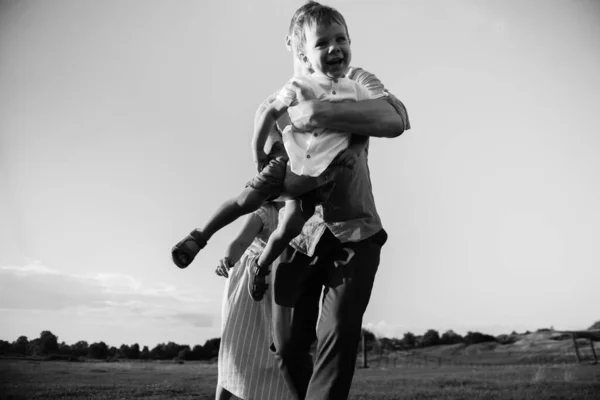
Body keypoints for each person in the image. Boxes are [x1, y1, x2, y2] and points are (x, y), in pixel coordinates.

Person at [262, 2, 411, 400]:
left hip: (356, 232)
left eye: (341, 39)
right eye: (321, 42)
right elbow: (268, 164)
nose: (335, 49)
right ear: (297, 49)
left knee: (337, 338)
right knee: (287, 344)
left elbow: (395, 118)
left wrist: (318, 112)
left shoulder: (360, 79)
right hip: (298, 235)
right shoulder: (284, 98)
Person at [213, 202, 295, 400]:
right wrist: (227, 259)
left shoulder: (297, 210)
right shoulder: (266, 212)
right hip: (248, 284)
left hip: (277, 283)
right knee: (237, 347)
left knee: (272, 352)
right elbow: (240, 242)